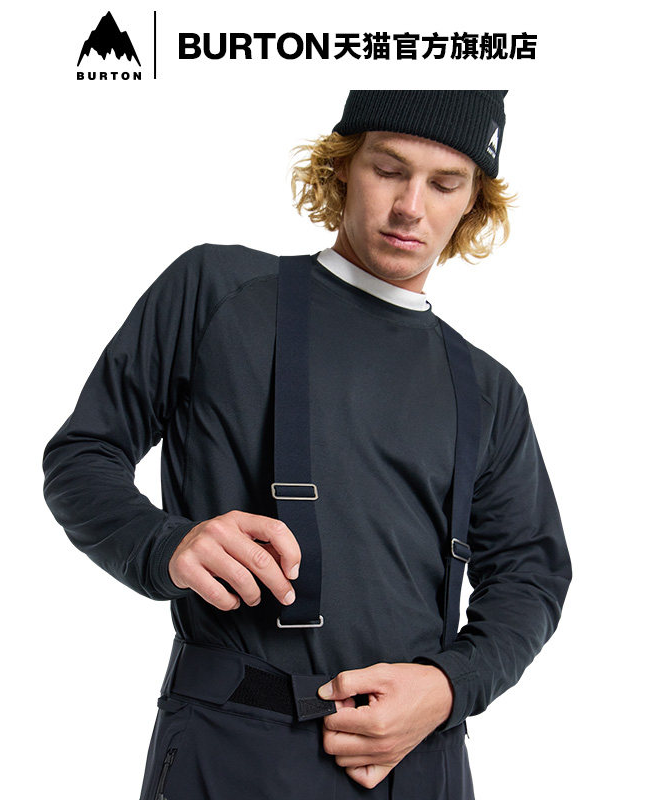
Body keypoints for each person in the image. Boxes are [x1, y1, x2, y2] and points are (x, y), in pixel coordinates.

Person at [42, 90, 572, 799]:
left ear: (473, 202)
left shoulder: (488, 390)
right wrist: (166, 544)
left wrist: (450, 686)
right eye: (389, 170)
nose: (411, 207)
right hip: (234, 746)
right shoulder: (217, 290)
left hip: (419, 760)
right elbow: (83, 456)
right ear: (342, 166)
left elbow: (530, 576)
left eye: (445, 184)